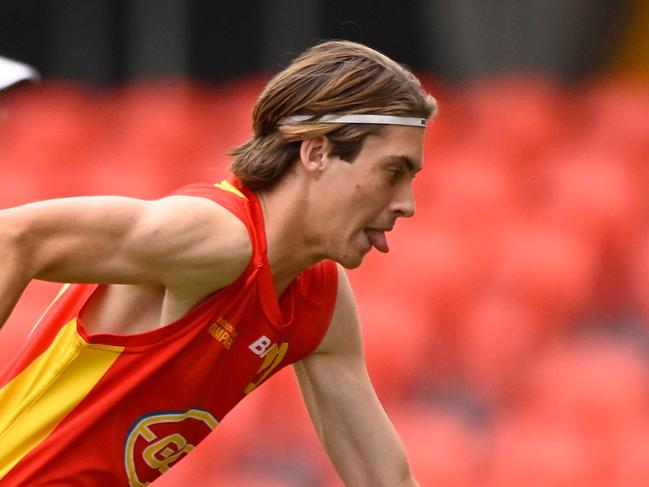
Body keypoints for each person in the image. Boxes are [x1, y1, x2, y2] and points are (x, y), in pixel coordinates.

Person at [0, 40, 437, 486]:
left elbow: (384, 479)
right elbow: (14, 237)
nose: (407, 204)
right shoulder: (220, 237)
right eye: (393, 172)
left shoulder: (319, 300)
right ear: (317, 152)